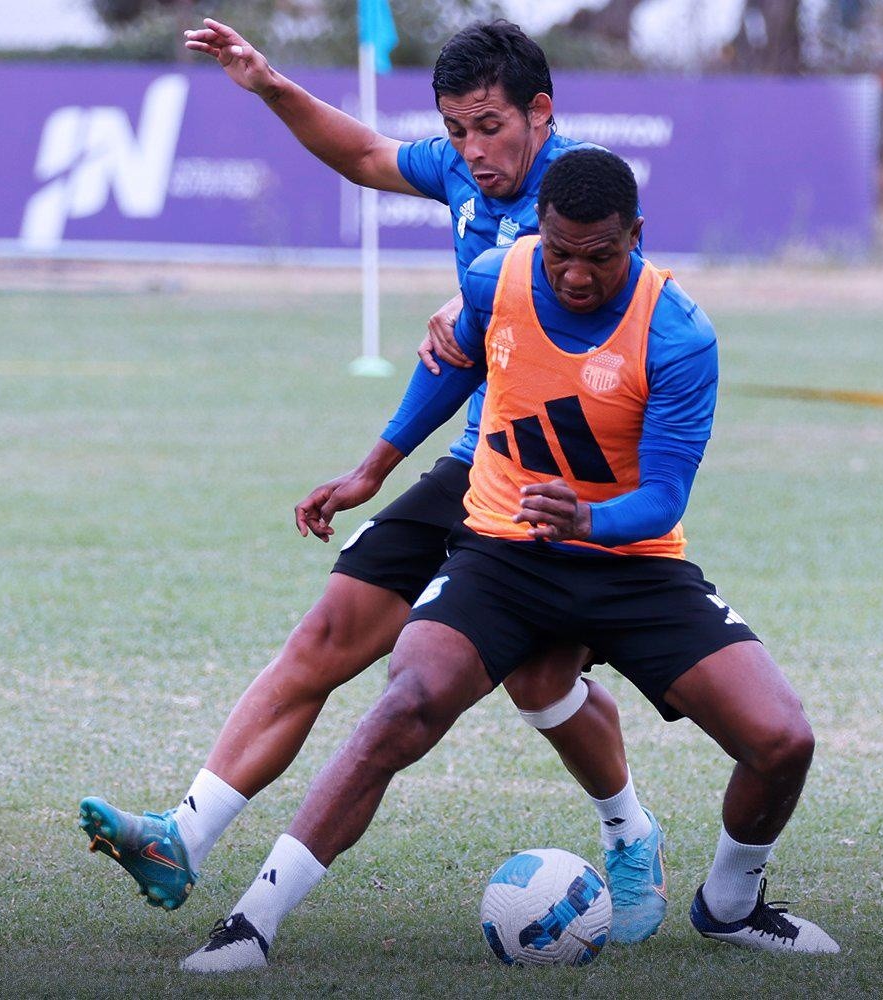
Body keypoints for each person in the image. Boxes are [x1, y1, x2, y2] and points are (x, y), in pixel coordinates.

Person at [77, 20, 668, 945]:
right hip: (476, 462)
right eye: (456, 129)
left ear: (539, 112)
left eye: (489, 127)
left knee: (542, 683)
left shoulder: (579, 189)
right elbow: (359, 152)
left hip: (566, 486)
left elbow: (598, 290)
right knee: (327, 634)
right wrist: (268, 84)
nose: (472, 151)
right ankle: (179, 836)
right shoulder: (465, 173)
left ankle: (630, 833)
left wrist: (491, 288)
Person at [179, 149, 840, 973]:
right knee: (403, 705)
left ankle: (732, 904)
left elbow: (667, 494)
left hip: (631, 563)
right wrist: (372, 468)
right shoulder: (502, 275)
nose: (573, 274)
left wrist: (590, 517)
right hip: (503, 552)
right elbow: (451, 359)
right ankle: (249, 922)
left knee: (783, 740)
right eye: (559, 250)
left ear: (635, 236)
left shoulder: (678, 334)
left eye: (598, 255)